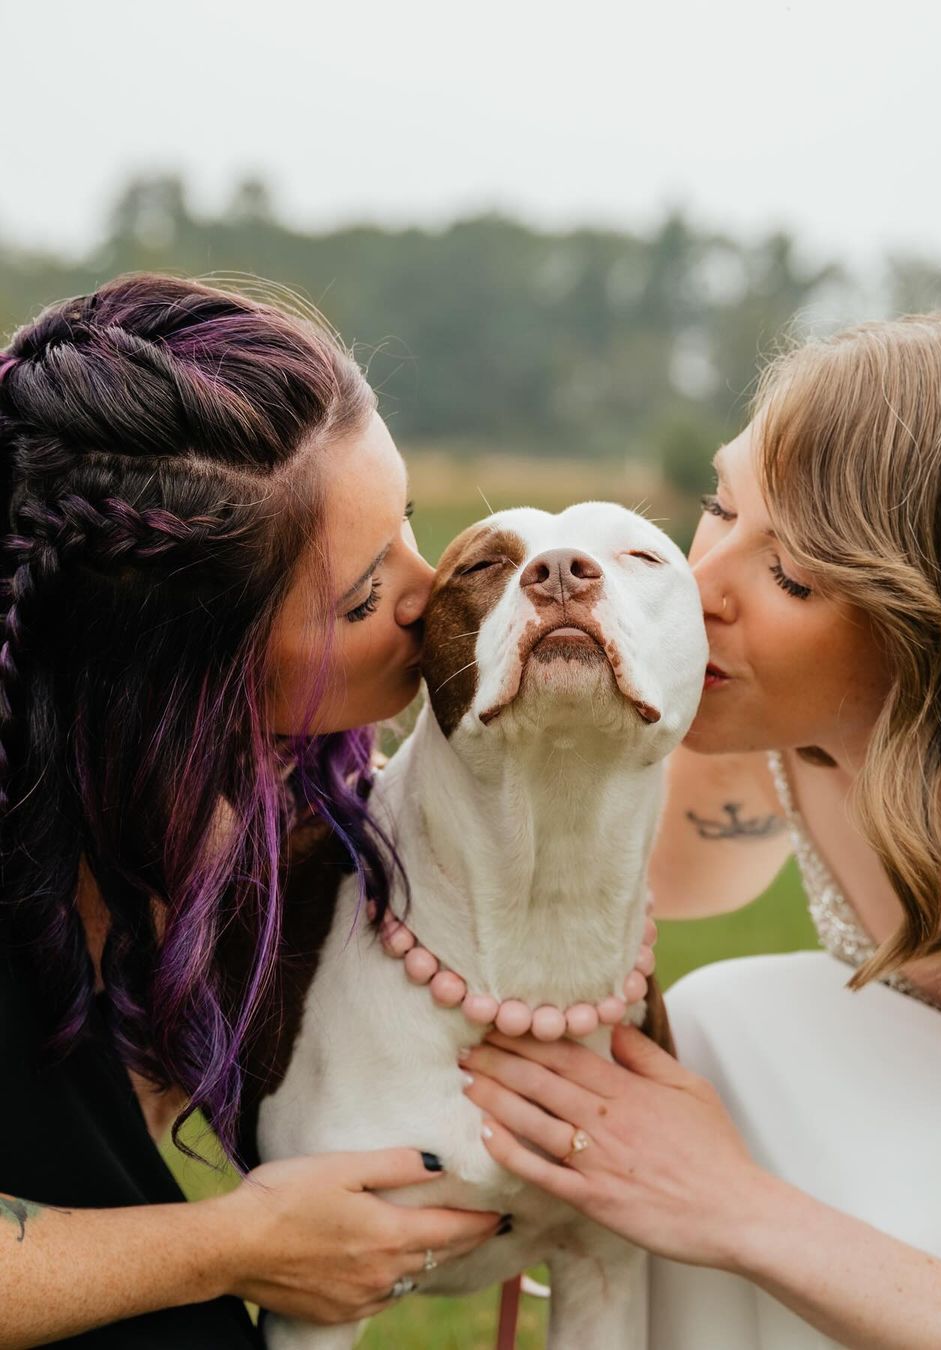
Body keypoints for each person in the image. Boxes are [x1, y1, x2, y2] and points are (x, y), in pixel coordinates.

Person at [461, 309, 941, 1347]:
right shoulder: (750, 743)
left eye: (791, 575)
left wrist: (738, 1210)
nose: (695, 591)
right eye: (717, 507)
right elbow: (555, 926)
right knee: (712, 1029)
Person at [0, 274, 503, 1349]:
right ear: (177, 684)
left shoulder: (243, 818)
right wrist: (237, 1246)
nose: (431, 593)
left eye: (409, 524)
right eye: (364, 596)